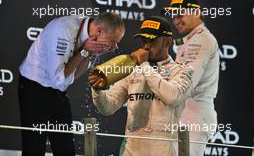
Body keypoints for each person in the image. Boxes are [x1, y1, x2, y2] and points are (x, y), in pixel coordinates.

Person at [18, 12, 125, 156]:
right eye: (113, 42)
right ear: (99, 31)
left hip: (57, 91)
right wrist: (84, 52)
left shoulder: (89, 34)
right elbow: (59, 79)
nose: (114, 48)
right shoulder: (63, 30)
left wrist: (89, 53)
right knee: (34, 150)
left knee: (66, 150)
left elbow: (73, 77)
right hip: (34, 88)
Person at [89, 16, 195, 156]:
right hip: (131, 151)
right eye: (144, 40)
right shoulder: (131, 70)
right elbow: (108, 107)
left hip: (164, 151)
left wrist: (144, 65)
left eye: (152, 40)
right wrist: (98, 89)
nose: (146, 46)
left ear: (167, 42)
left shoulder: (183, 70)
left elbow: (172, 97)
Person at [163, 0, 220, 156]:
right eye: (174, 16)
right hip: (186, 113)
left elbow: (185, 83)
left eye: (180, 14)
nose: (176, 20)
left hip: (194, 115)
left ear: (196, 12)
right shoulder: (192, 39)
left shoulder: (201, 40)